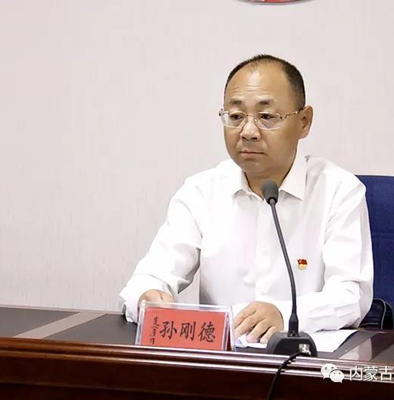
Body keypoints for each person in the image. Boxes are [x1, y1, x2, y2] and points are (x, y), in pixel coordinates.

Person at [119, 54, 373, 344]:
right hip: (222, 362)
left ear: (304, 122)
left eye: (266, 117)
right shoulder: (201, 191)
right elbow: (148, 278)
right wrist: (148, 297)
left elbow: (352, 296)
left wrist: (284, 314)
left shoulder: (339, 191)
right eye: (236, 117)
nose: (248, 132)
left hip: (304, 361)